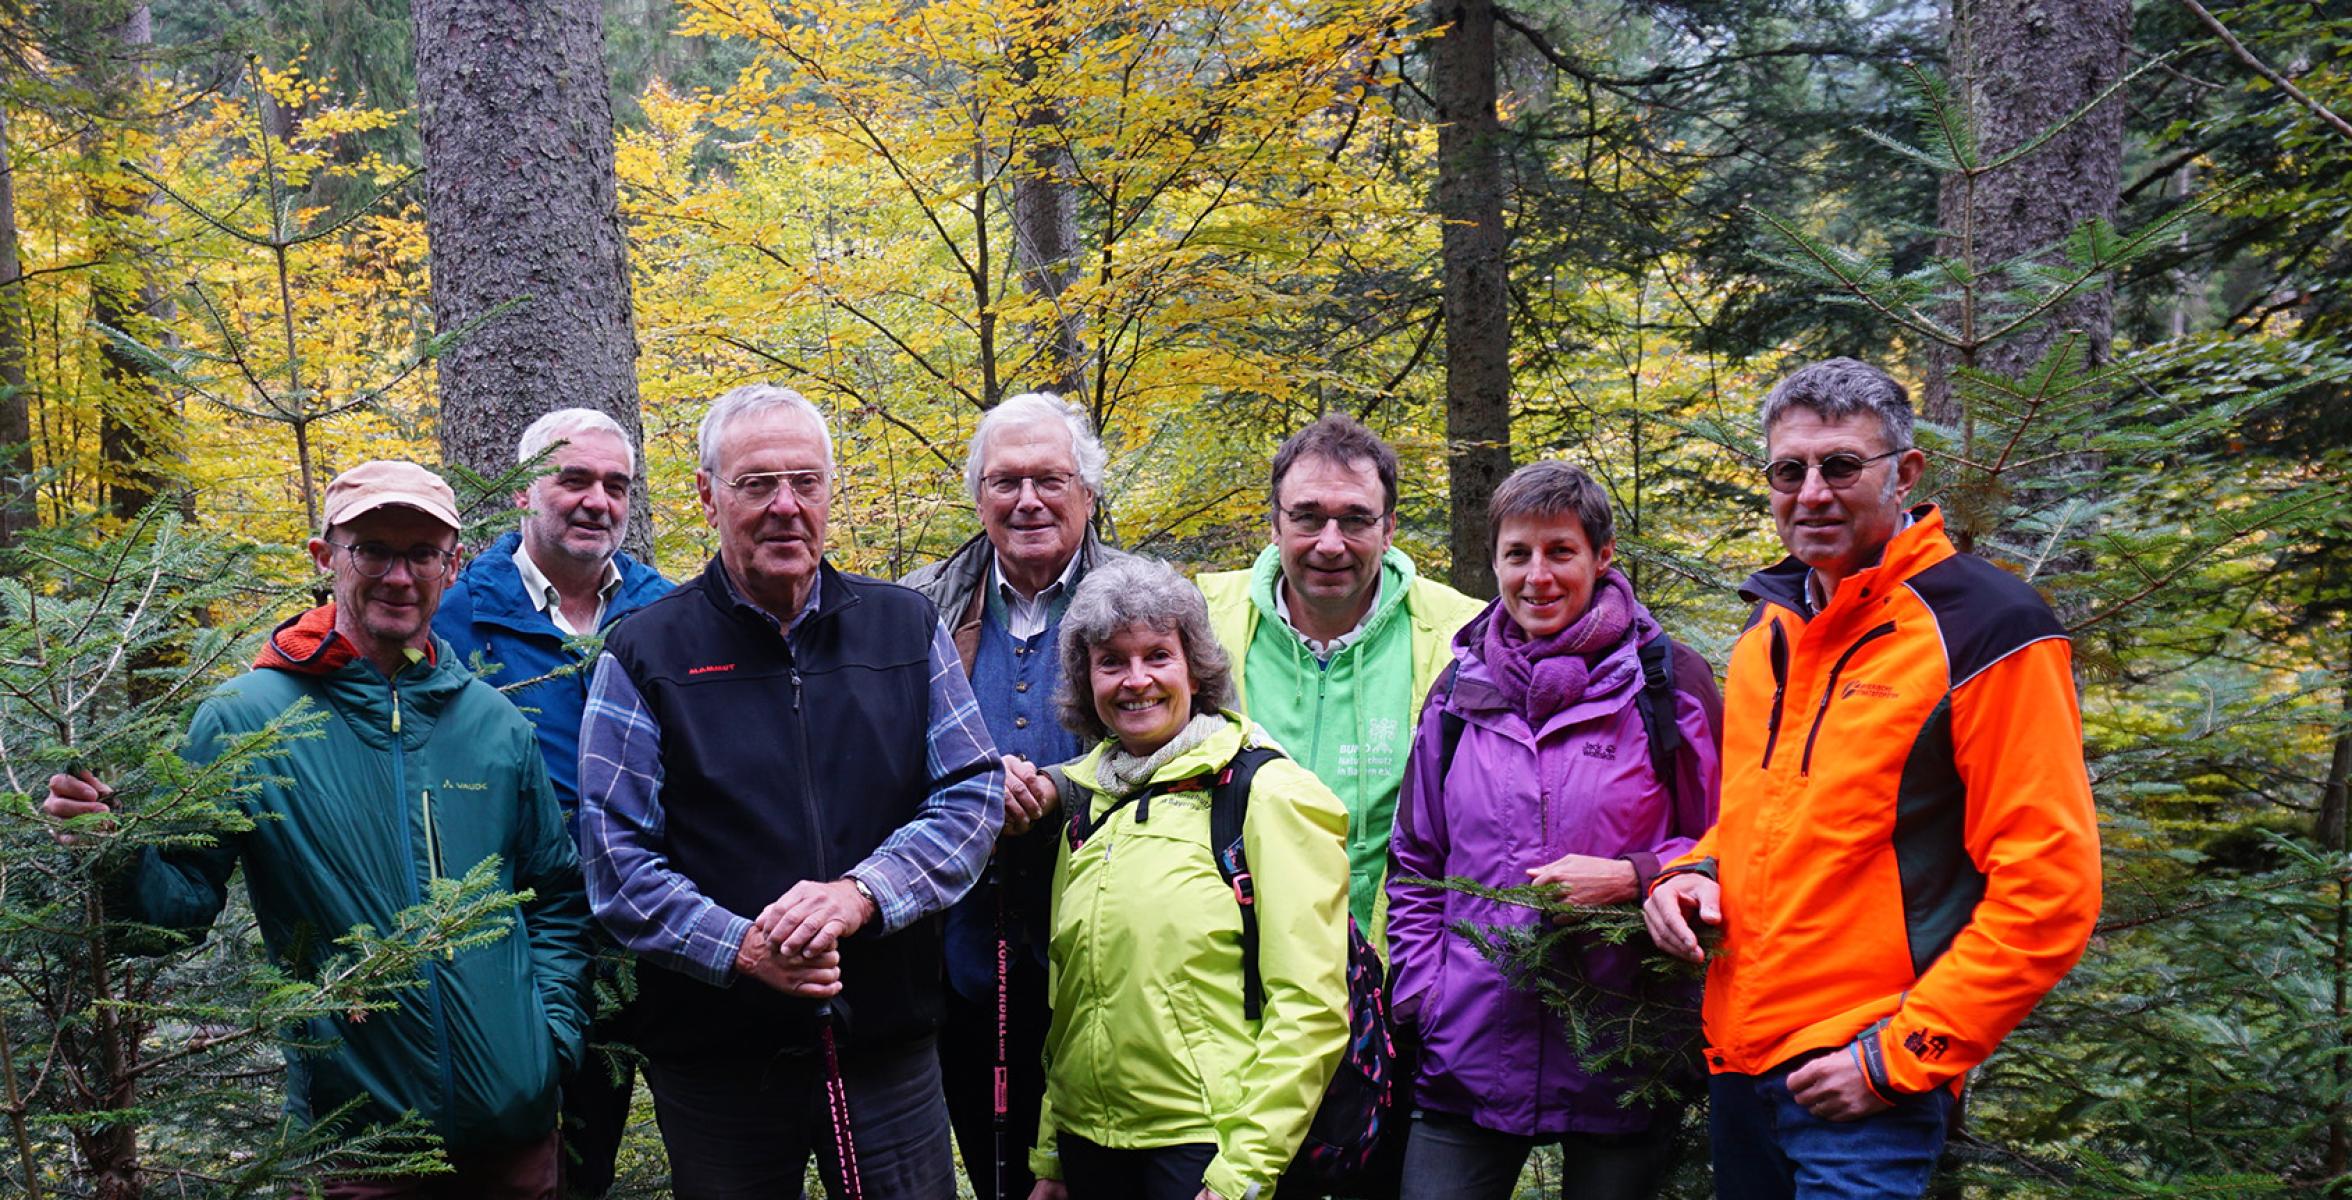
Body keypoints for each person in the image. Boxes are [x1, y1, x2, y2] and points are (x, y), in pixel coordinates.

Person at [41, 461, 593, 1199]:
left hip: (519, 1146)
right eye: (372, 550)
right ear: (324, 555)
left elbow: (553, 896)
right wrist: (113, 855)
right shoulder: (245, 719)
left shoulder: (493, 725)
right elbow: (171, 918)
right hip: (357, 1156)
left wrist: (550, 1043)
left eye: (422, 554)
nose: (399, 576)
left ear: (451, 567)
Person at [1640, 358, 2102, 1199]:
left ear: (1905, 475)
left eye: (1841, 466)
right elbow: (1755, 820)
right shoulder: (1770, 634)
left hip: (1863, 1090)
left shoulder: (1988, 628)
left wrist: (1904, 1055)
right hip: (1741, 1066)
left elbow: (2051, 887)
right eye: (1790, 470)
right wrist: (1691, 876)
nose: (1811, 492)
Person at [576, 383, 1004, 1199]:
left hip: (889, 1048)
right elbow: (614, 857)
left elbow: (971, 796)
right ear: (707, 496)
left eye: (805, 482)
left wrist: (861, 894)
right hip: (718, 1061)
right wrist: (740, 948)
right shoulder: (644, 652)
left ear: (829, 492)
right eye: (756, 484)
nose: (784, 506)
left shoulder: (904, 629)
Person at [1387, 459, 1721, 1200]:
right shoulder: (1459, 690)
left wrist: (1635, 877)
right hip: (1468, 1045)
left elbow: (1728, 841)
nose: (1537, 575)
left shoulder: (1669, 683)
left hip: (1624, 1046)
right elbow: (1416, 859)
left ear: (1601, 557)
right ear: (1496, 561)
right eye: (1518, 553)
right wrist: (1425, 999)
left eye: (1560, 551)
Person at [1004, 555, 1351, 1200]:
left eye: (1157, 655)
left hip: (1208, 1150)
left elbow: (1312, 1009)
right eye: (1111, 661)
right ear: (1085, 680)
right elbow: (1072, 999)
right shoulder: (1087, 807)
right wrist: (1052, 1154)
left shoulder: (1264, 794)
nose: (1136, 680)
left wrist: (1241, 1175)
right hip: (1090, 1146)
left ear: (1195, 665)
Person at [901, 392, 1133, 1200]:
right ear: (978, 495)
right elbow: (881, 755)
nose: (1027, 500)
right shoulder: (917, 606)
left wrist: (1061, 791)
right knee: (997, 1160)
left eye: (1049, 479)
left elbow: (1195, 754)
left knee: (1097, 1170)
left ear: (1088, 492)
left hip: (1108, 946)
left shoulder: (1143, 598)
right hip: (958, 945)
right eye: (1005, 481)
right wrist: (968, 790)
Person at [434, 407, 670, 1199]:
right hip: (508, 941)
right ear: (522, 493)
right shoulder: (453, 615)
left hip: (645, 941)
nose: (595, 500)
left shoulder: (667, 613)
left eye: (615, 485)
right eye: (573, 479)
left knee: (590, 1162)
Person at [1196, 413, 1483, 950]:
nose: (1330, 544)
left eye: (1355, 520)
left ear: (1389, 527)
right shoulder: (1202, 621)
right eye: (1306, 517)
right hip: (1233, 970)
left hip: (1399, 970)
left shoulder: (1463, 636)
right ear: (1274, 523)